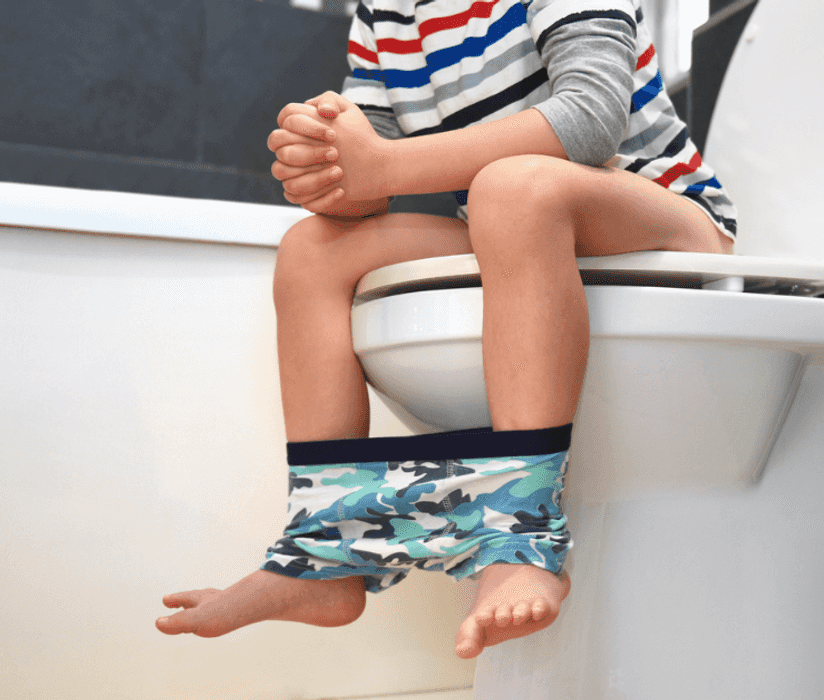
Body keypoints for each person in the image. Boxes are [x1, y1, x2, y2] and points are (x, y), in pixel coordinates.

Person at [155, 0, 737, 660]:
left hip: (666, 224)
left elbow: (591, 121)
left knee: (509, 188)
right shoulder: (387, 12)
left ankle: (518, 538)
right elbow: (367, 184)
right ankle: (324, 550)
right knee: (313, 250)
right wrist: (326, 159)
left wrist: (383, 167)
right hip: (517, 225)